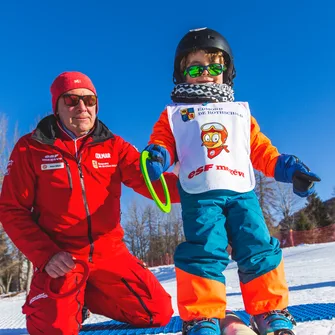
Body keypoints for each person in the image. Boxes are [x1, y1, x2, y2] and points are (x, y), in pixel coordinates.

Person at [142, 27, 321, 335]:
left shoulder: (239, 114)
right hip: (200, 194)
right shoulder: (175, 115)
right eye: (196, 68)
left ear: (226, 71)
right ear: (182, 75)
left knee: (257, 245)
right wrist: (157, 155)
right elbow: (164, 143)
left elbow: (261, 149)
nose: (206, 74)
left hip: (241, 191)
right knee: (203, 250)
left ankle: (270, 310)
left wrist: (289, 170)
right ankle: (202, 316)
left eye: (214, 67)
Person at [0, 71, 180, 335]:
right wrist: (46, 255)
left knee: (158, 313)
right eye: (71, 100)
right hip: (63, 258)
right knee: (55, 329)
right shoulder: (31, 149)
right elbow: (11, 209)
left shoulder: (115, 146)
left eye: (89, 100)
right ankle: (62, 303)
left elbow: (155, 185)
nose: (82, 107)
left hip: (111, 253)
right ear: (57, 107)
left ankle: (81, 297)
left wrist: (200, 182)